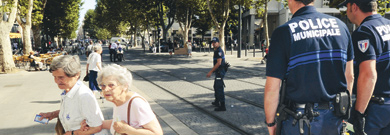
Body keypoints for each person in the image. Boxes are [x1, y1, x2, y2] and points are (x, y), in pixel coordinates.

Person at [264, 0, 354, 135]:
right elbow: (349, 76)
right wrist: (343, 111)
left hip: (299, 122)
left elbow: (273, 87)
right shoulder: (341, 27)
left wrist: (270, 123)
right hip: (334, 118)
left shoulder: (283, 32)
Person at [339, 0, 390, 134]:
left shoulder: (364, 32)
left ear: (354, 7)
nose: (346, 11)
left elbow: (368, 75)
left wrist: (359, 113)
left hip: (376, 109)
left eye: (347, 7)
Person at [81, 64, 163, 135]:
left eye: (111, 85)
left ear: (124, 86)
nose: (105, 89)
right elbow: (116, 123)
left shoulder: (136, 103)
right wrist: (92, 124)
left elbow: (157, 133)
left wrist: (128, 130)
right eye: (103, 85)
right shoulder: (118, 101)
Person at [38, 55, 105, 135]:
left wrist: (73, 133)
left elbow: (97, 127)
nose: (56, 81)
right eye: (54, 77)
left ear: (76, 75)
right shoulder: (67, 90)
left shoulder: (84, 96)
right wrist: (52, 114)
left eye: (61, 77)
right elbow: (74, 111)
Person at [206, 37, 227, 111]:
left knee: (219, 87)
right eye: (213, 42)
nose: (213, 43)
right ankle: (217, 101)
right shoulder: (216, 50)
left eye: (215, 42)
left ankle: (222, 105)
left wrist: (210, 72)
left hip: (220, 72)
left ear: (218, 43)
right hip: (218, 72)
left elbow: (219, 63)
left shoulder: (219, 51)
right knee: (216, 86)